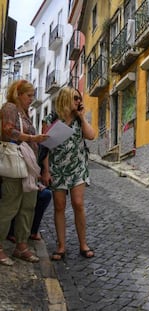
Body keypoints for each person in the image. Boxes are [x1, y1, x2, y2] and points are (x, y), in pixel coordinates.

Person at [42, 87, 96, 261]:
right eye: (75, 98)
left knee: (78, 204)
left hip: (77, 166)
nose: (78, 101)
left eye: (79, 98)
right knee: (59, 206)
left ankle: (83, 244)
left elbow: (91, 136)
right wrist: (45, 170)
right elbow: (45, 147)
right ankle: (61, 246)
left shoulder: (79, 120)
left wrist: (81, 117)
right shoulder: (50, 119)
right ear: (65, 98)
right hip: (57, 167)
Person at [0, 79, 49, 266]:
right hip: (13, 166)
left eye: (33, 96)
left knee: (27, 208)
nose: (31, 99)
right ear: (18, 93)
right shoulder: (10, 108)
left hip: (28, 168)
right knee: (9, 207)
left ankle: (21, 247)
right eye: (29, 96)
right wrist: (32, 137)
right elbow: (7, 132)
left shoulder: (25, 114)